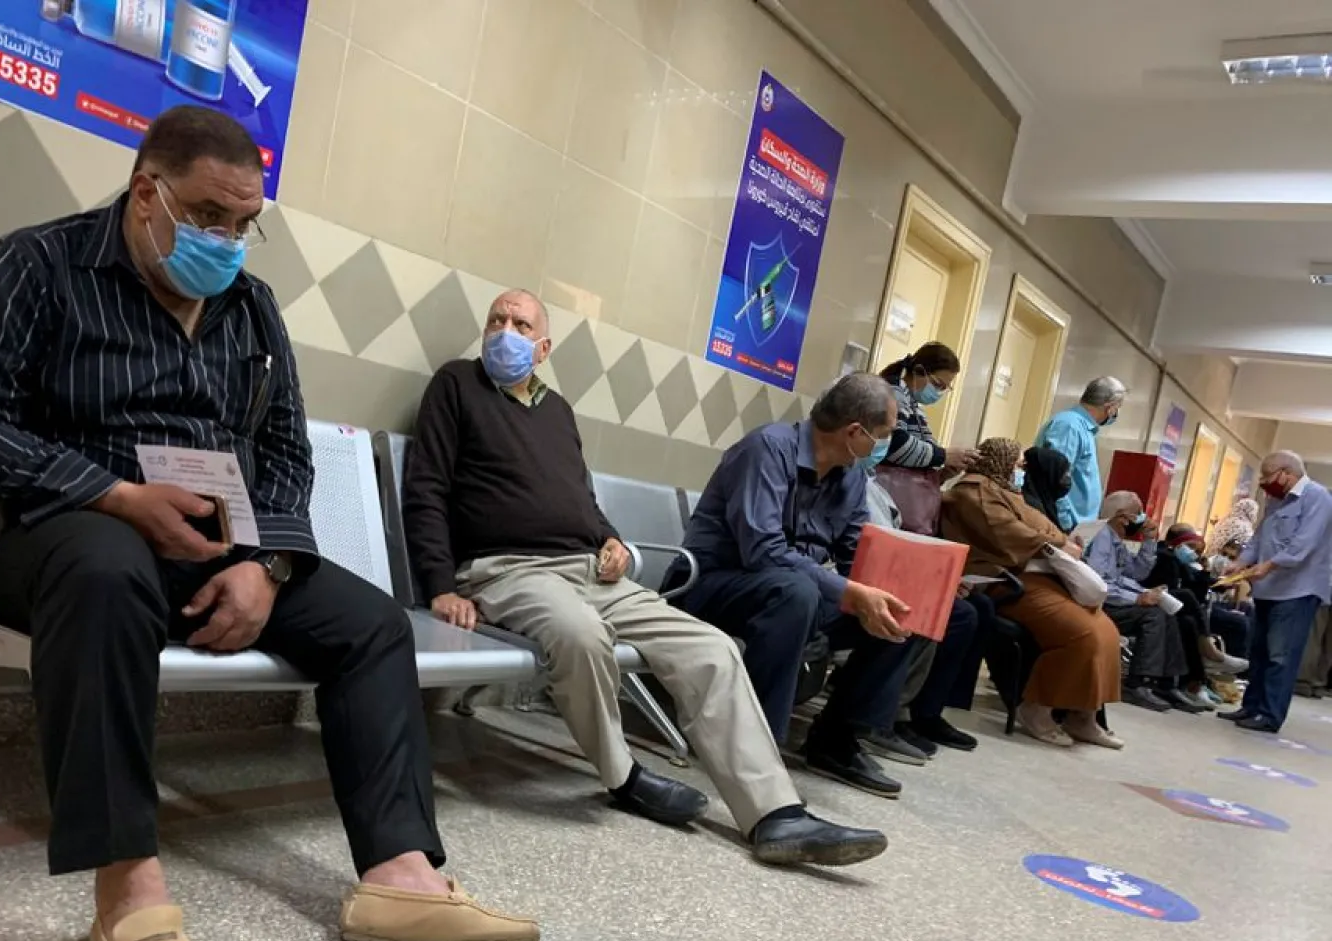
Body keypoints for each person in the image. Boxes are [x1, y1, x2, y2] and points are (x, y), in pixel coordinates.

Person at [0, 107, 539, 941]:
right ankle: (128, 887)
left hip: (216, 548)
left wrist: (268, 567)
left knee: (371, 625)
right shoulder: (35, 267)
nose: (227, 240)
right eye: (208, 215)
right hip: (53, 539)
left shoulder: (251, 308)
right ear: (146, 194)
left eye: (245, 222)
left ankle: (399, 874)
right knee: (106, 566)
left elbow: (284, 452)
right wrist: (112, 494)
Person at [401, 288, 888, 869]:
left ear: (544, 347)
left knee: (709, 647)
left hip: (589, 570)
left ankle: (775, 813)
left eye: (521, 324)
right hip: (508, 570)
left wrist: (609, 538)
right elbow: (426, 489)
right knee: (582, 635)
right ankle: (623, 776)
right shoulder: (456, 385)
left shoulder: (557, 411)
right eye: (496, 320)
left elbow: (579, 499)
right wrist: (441, 585)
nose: (505, 331)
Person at [673, 373, 925, 799]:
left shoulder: (849, 476)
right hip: (711, 584)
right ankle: (753, 751)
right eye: (882, 435)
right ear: (854, 432)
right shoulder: (767, 449)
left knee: (899, 609)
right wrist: (850, 593)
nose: (884, 445)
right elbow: (762, 551)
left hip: (787, 594)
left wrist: (884, 589)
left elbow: (855, 556)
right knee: (796, 593)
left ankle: (836, 740)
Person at [940, 438, 1124, 748]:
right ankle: (1037, 708)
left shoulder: (1005, 492)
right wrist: (1057, 543)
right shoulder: (973, 494)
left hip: (1038, 576)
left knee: (1107, 632)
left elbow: (1046, 530)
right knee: (1083, 634)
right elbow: (1011, 535)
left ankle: (1083, 716)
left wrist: (1057, 541)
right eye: (1017, 464)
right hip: (1004, 580)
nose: (1021, 469)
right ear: (1001, 461)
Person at [862, 459, 988, 756]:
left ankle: (923, 711)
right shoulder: (978, 494)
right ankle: (884, 716)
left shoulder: (868, 481)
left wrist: (939, 576)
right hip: (867, 573)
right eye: (880, 438)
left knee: (968, 611)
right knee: (934, 609)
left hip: (891, 565)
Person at [1219, 452, 1332, 733]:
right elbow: (1260, 538)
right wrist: (1241, 563)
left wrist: (1268, 565)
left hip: (1297, 590)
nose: (1263, 482)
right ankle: (1251, 706)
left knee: (1280, 656)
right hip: (1267, 588)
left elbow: (1302, 545)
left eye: (1267, 476)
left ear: (1287, 473)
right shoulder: (1275, 499)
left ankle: (1269, 714)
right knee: (1258, 651)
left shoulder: (1317, 498)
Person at [1085, 492, 1215, 712]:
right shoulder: (1101, 538)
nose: (1143, 520)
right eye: (1138, 514)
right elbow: (1098, 583)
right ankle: (1139, 683)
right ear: (1123, 517)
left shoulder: (1116, 541)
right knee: (1153, 615)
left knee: (1166, 610)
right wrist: (1137, 597)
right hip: (1102, 604)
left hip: (1114, 599)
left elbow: (1137, 572)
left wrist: (1149, 542)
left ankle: (1167, 682)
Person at [873, 342, 977, 535]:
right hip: (885, 497)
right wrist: (943, 455)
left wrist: (943, 471)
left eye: (945, 388)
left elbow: (925, 451)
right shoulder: (893, 394)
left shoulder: (915, 407)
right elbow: (895, 445)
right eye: (937, 385)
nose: (938, 392)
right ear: (919, 371)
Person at [1144, 523, 1251, 680]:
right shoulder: (1165, 558)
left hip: (1193, 604)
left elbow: (1196, 582)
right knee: (1236, 622)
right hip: (1172, 604)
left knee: (1247, 609)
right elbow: (1187, 589)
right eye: (1190, 547)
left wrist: (1208, 574)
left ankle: (1232, 667)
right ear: (1176, 543)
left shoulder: (1180, 560)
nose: (1193, 553)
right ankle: (1212, 659)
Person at [1035, 376, 1127, 532]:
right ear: (1110, 407)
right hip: (1061, 525)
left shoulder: (1084, 429)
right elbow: (1054, 478)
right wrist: (1064, 523)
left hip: (1075, 527)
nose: (1116, 413)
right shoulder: (1069, 426)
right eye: (1118, 408)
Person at [1020, 445, 1073, 531]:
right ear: (1048, 474)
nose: (1068, 478)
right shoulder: (1031, 507)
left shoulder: (1045, 501)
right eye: (1063, 474)